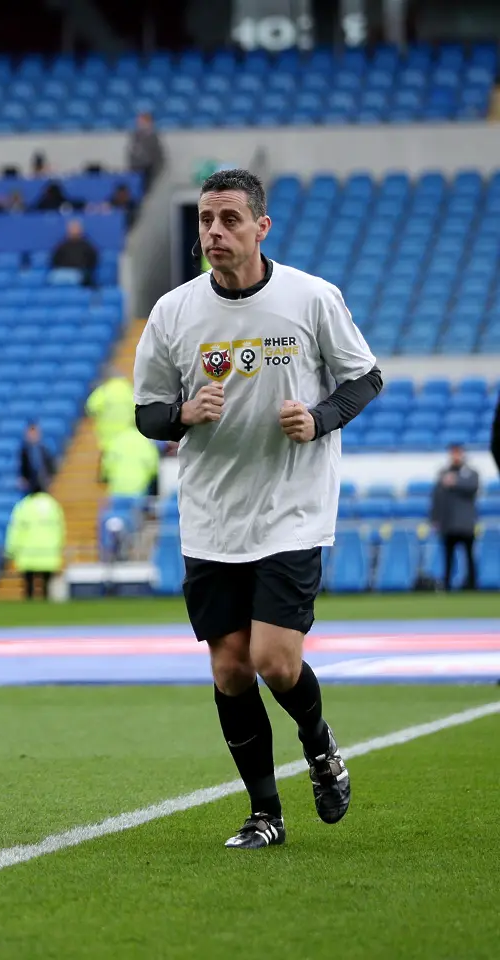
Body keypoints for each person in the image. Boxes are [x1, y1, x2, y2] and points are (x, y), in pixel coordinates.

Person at [133, 168, 383, 850]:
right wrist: (182, 413)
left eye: (230, 220)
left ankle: (320, 744)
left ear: (261, 227)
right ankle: (264, 813)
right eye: (206, 221)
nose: (214, 232)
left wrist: (322, 416)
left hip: (291, 507)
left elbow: (366, 376)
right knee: (230, 668)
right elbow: (146, 412)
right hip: (212, 515)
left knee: (274, 659)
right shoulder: (174, 312)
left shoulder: (310, 298)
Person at [430, 444, 479, 591]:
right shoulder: (443, 474)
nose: (455, 456)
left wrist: (455, 482)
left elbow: (473, 487)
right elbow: (436, 497)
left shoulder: (471, 473)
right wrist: (435, 519)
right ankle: (447, 585)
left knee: (469, 556)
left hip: (465, 524)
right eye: (453, 453)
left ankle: (472, 585)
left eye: (458, 453)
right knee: (448, 557)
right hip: (448, 523)